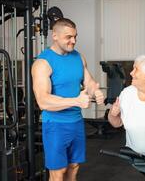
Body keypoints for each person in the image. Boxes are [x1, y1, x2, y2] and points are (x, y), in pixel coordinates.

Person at [31, 18, 104, 181]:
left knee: (73, 166)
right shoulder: (43, 63)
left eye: (75, 36)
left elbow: (88, 81)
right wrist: (76, 101)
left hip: (76, 122)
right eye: (69, 37)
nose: (74, 41)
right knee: (58, 172)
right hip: (55, 125)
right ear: (54, 36)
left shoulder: (79, 57)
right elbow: (43, 100)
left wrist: (95, 90)